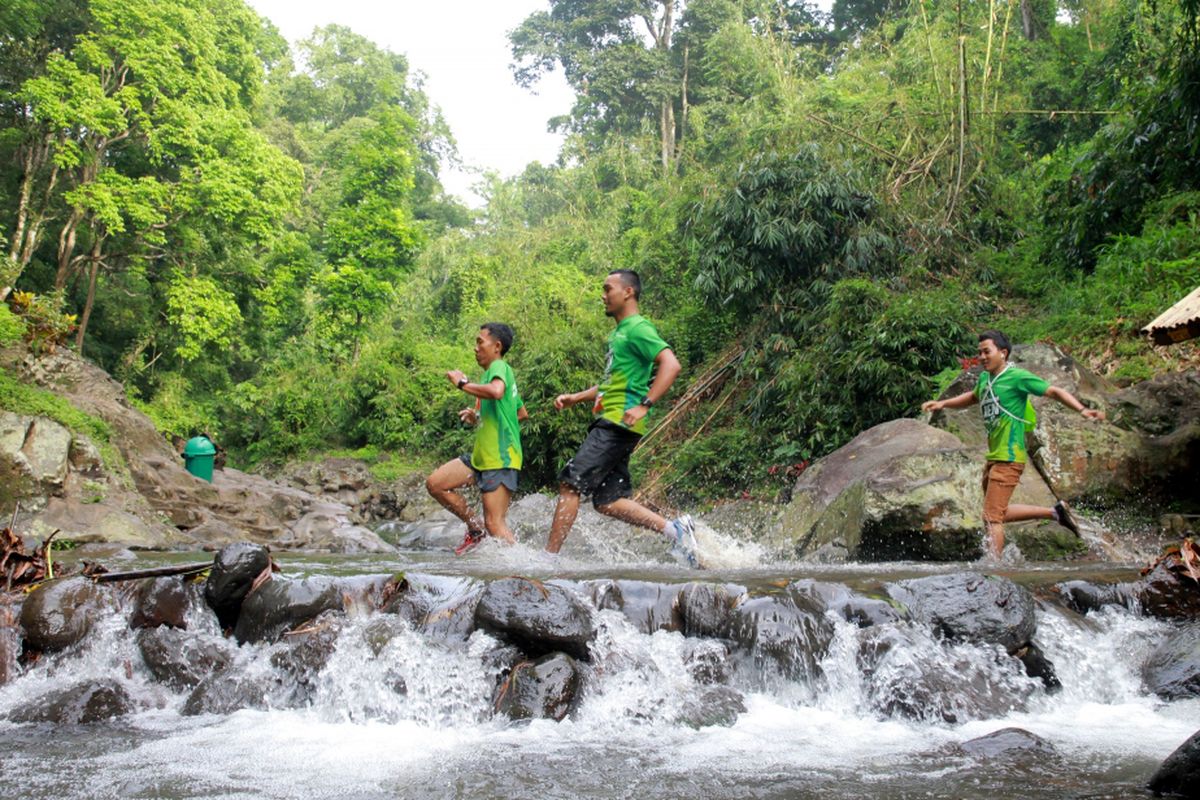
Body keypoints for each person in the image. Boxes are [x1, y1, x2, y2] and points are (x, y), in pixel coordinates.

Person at [546, 269, 699, 566]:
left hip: (618, 422)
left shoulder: (638, 328)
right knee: (606, 501)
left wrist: (645, 404)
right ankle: (675, 530)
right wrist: (576, 397)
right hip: (616, 420)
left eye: (608, 289)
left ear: (628, 292)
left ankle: (548, 559)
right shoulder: (618, 333)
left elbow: (671, 364)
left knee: (571, 483)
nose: (603, 296)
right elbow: (611, 383)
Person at [921, 330, 1106, 559]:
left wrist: (1082, 409)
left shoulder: (1017, 377)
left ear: (1003, 352)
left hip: (1009, 457)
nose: (981, 357)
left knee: (992, 517)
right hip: (994, 457)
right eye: (979, 353)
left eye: (986, 351)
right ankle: (1055, 512)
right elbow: (972, 397)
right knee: (996, 513)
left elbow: (1053, 391)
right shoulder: (984, 379)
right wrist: (942, 404)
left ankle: (994, 569)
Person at [426, 323, 528, 555]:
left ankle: (524, 571)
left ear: (497, 346)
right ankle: (475, 529)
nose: (476, 348)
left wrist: (462, 384)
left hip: (500, 458)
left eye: (480, 342)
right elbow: (520, 413)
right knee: (436, 484)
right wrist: (479, 416)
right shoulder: (492, 375)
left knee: (496, 524)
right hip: (481, 457)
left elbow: (496, 392)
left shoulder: (499, 367)